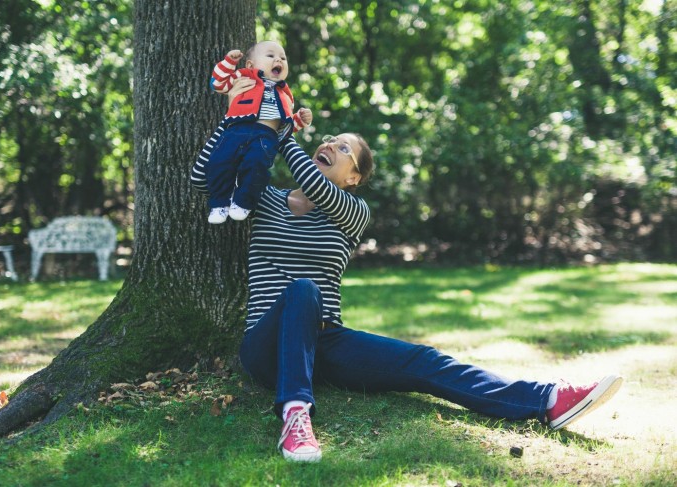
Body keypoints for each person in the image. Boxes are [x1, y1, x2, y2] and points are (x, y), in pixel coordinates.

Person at [190, 78, 624, 463]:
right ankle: (295, 416)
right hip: (265, 347)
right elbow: (201, 177)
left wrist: (280, 128)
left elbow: (314, 181)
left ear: (354, 178)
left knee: (424, 361)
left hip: (326, 343)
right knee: (302, 290)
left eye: (344, 149)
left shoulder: (351, 211)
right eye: (330, 139)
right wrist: (237, 118)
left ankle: (545, 399)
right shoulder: (263, 200)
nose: (329, 145)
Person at [201, 41, 313, 224]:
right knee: (219, 162)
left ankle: (243, 202)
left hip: (265, 136)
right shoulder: (245, 77)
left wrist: (300, 120)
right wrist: (229, 62)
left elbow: (285, 126)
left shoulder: (285, 93)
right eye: (270, 55)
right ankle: (219, 204)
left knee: (256, 166)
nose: (278, 59)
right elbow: (217, 84)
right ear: (250, 65)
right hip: (236, 130)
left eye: (283, 58)